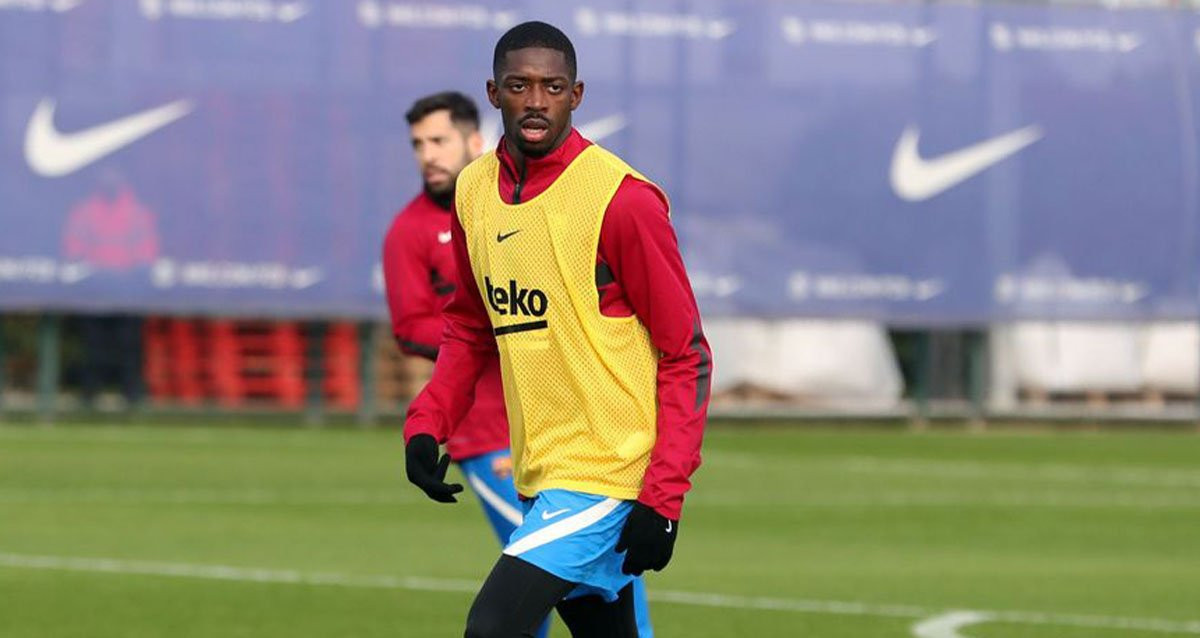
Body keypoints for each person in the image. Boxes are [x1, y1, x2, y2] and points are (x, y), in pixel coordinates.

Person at [401, 22, 711, 638]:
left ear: (577, 94)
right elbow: (468, 325)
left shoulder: (622, 199)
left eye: (553, 86)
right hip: (542, 474)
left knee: (491, 628)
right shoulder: (474, 191)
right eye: (520, 85)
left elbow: (687, 355)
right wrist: (427, 424)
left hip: (607, 476)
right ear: (494, 94)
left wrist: (665, 496)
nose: (536, 100)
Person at [384, 90, 658, 636]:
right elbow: (433, 326)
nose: (428, 154)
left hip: (588, 448)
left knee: (515, 610)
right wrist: (498, 337)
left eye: (439, 140)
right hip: (491, 434)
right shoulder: (413, 229)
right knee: (536, 595)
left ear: (473, 138)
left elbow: (681, 347)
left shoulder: (585, 197)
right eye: (418, 144)